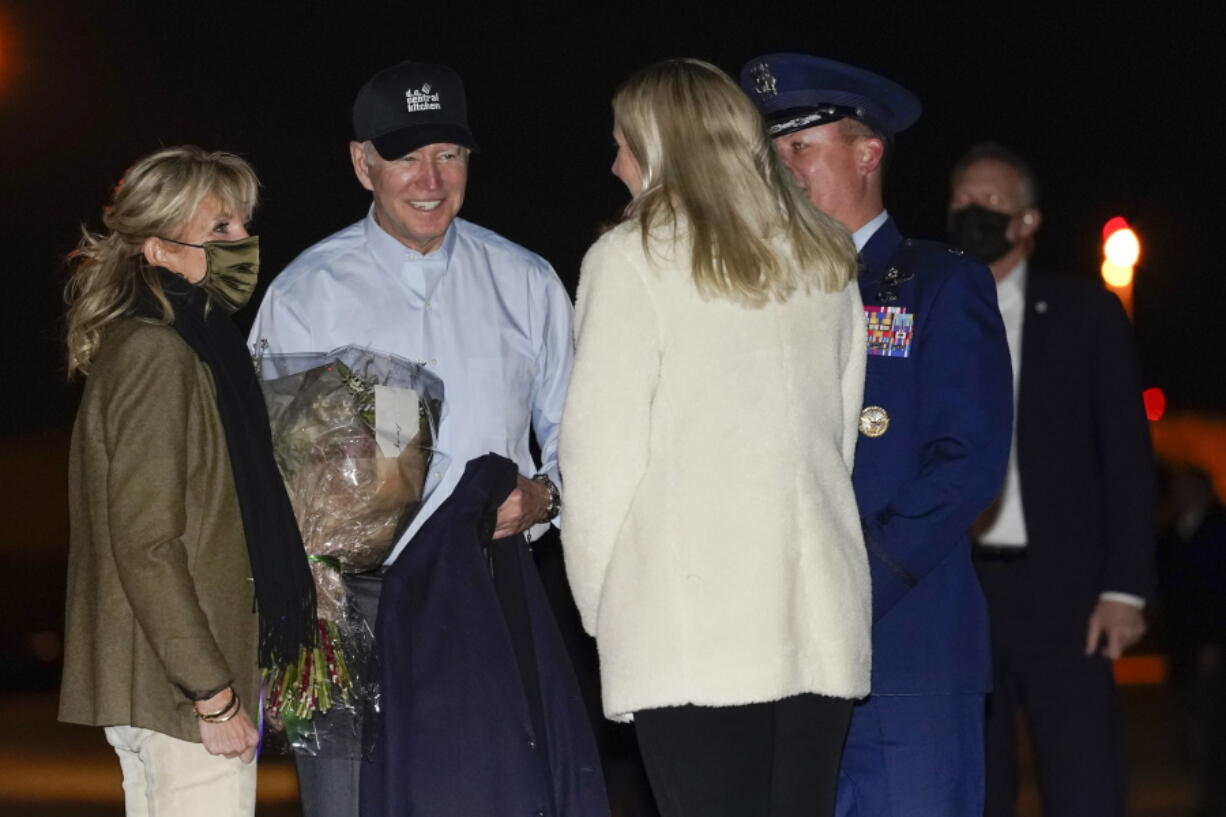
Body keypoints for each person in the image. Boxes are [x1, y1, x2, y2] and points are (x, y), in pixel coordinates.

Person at [247, 60, 574, 817]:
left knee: (488, 800)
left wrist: (546, 495)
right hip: (344, 604)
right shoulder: (306, 293)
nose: (431, 179)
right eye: (405, 156)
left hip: (486, 593)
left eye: (450, 154)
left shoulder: (526, 281)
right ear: (364, 164)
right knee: (346, 805)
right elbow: (260, 467)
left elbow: (582, 438)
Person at [561, 57, 870, 817]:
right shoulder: (827, 257)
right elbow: (840, 442)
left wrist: (607, 612)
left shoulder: (629, 261)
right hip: (815, 623)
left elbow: (598, 466)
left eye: (624, 143)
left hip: (690, 631)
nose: (614, 163)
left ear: (663, 147)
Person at [740, 54, 1013, 817]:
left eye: (801, 147)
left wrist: (856, 579)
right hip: (784, 664)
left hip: (906, 657)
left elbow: (967, 463)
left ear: (867, 152)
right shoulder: (762, 296)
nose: (782, 169)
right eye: (772, 152)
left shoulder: (941, 284)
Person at [59, 146, 317, 817]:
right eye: (221, 229)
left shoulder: (178, 344)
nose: (244, 244)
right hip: (178, 693)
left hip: (166, 684)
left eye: (243, 226)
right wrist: (213, 692)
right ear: (160, 248)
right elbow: (147, 542)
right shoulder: (160, 352)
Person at [948, 142, 1155, 817]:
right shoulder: (933, 310)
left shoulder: (1085, 314)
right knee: (978, 787)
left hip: (1065, 595)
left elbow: (1126, 457)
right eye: (961, 200)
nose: (971, 212)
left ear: (1028, 220)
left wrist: (1124, 588)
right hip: (963, 589)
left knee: (1083, 784)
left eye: (990, 202)